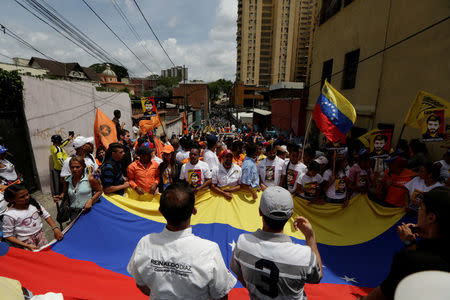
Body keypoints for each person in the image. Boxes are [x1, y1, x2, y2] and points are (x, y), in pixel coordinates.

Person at [127, 181, 236, 299]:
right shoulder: (209, 250)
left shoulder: (145, 243)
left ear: (160, 211)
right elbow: (221, 295)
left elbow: (140, 283)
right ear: (194, 211)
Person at [230, 186, 323, 299]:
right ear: (290, 215)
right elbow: (317, 277)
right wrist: (310, 237)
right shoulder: (304, 255)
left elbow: (240, 275)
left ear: (260, 211)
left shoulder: (242, 243)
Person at [361, 187, 450, 300]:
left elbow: (384, 293)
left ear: (431, 217)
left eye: (421, 208)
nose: (419, 212)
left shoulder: (407, 259)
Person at [2, 184, 63, 250]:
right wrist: (26, 245)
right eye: (22, 197)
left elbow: (46, 215)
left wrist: (55, 228)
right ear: (11, 199)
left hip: (41, 236)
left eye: (27, 194)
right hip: (25, 242)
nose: (27, 197)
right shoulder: (9, 215)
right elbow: (8, 236)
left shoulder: (34, 204)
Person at [53, 156, 103, 220]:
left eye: (77, 167)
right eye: (72, 167)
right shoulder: (67, 180)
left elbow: (99, 191)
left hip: (88, 211)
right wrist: (60, 197)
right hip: (73, 213)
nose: (75, 169)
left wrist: (91, 200)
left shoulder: (90, 179)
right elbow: (64, 192)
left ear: (83, 167)